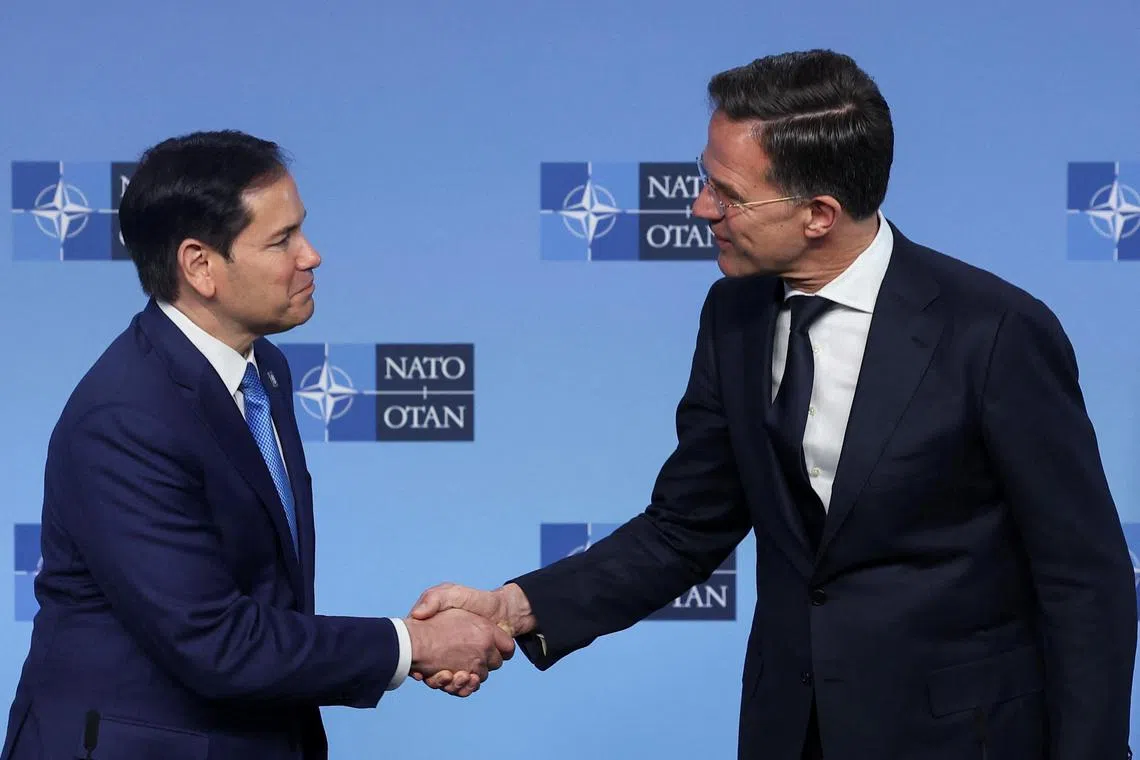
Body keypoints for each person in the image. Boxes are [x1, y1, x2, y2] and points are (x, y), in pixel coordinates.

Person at [410, 50, 1137, 759]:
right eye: (706, 182)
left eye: (727, 194)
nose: (701, 208)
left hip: (960, 735)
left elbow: (1085, 580)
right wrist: (513, 607)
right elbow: (684, 527)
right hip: (788, 729)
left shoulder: (994, 332)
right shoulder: (734, 316)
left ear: (819, 212)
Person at [0, 131, 512, 760]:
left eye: (302, 230)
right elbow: (217, 641)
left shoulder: (262, 367)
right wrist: (417, 645)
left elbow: (266, 594)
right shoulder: (125, 419)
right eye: (281, 241)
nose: (312, 256)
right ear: (200, 266)